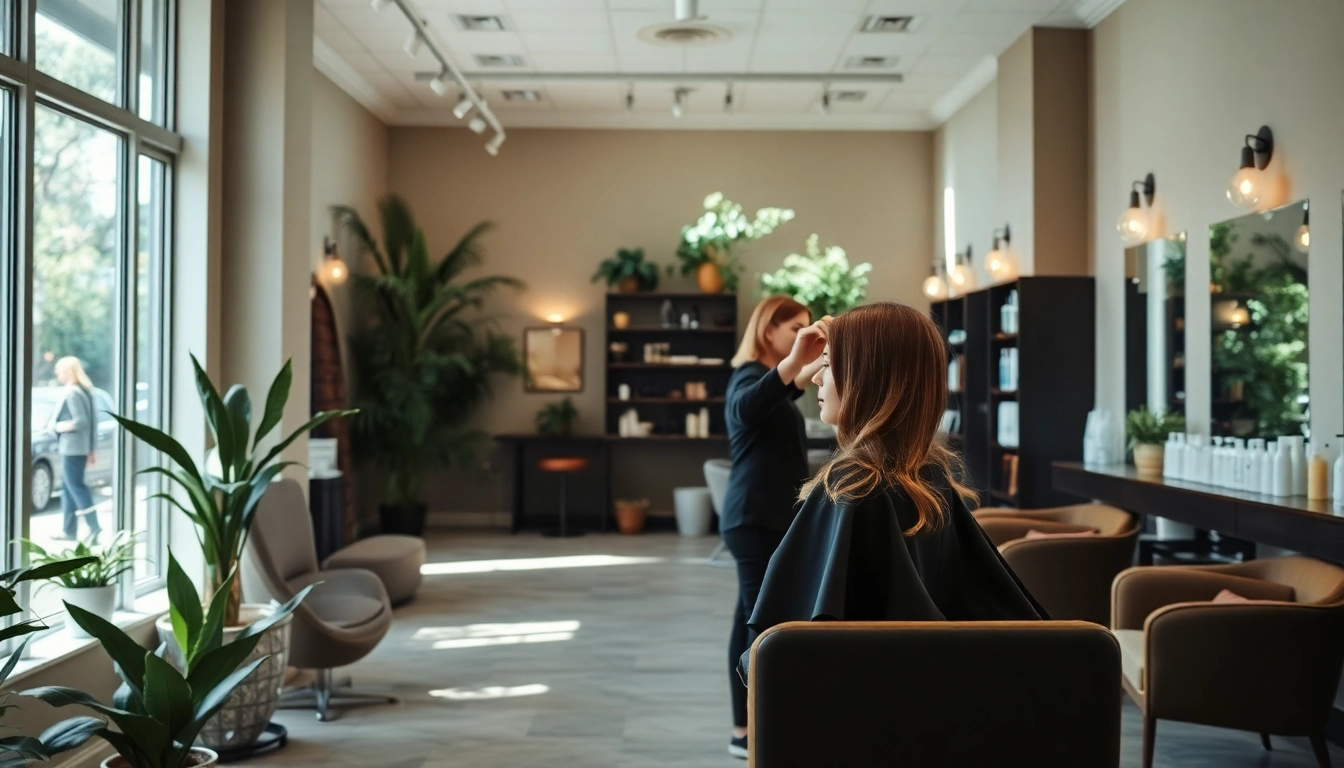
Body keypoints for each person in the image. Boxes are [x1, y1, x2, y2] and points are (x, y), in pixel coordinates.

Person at [744, 303, 1043, 673]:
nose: (818, 379)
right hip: (927, 692)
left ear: (867, 377)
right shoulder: (929, 477)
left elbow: (781, 646)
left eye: (827, 364)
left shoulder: (851, 486)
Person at [721, 296, 823, 759]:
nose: (801, 333)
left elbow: (792, 384)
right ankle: (748, 730)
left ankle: (744, 727)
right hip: (752, 519)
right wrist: (797, 361)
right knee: (759, 624)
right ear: (769, 331)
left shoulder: (774, 384)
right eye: (794, 327)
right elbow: (747, 407)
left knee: (748, 621)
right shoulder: (745, 378)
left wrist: (824, 355)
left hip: (763, 520)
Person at [52, 356, 101, 542]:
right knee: (69, 489)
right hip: (79, 448)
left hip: (71, 448)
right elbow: (93, 423)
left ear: (70, 371)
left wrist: (59, 427)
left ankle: (95, 527)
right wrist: (91, 449)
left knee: (76, 487)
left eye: (59, 370)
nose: (57, 373)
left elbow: (81, 421)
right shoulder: (85, 391)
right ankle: (69, 530)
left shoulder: (73, 392)